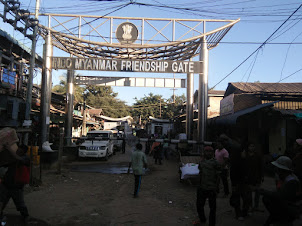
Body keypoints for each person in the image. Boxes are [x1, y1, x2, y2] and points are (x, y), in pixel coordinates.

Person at [259, 156, 301, 226]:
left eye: (278, 168)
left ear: (283, 170)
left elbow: (280, 196)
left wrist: (264, 192)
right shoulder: (283, 177)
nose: (276, 170)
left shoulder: (292, 181)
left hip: (291, 209)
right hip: (285, 206)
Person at [0, 144, 30, 223]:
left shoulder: (25, 158)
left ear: (24, 152)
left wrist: (9, 149)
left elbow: (19, 159)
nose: (17, 151)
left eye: (19, 150)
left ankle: (25, 217)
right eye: (17, 150)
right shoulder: (13, 158)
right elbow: (4, 163)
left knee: (20, 204)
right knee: (1, 202)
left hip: (17, 186)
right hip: (6, 184)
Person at [196, 146, 221, 226]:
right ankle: (202, 219)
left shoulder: (215, 163)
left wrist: (217, 187)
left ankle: (211, 223)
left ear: (213, 153)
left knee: (212, 208)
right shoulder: (201, 162)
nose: (208, 153)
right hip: (202, 187)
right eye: (206, 151)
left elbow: (218, 176)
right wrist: (199, 185)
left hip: (211, 188)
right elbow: (200, 173)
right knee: (199, 205)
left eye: (210, 151)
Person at [243, 142, 264, 212]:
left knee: (257, 192)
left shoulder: (258, 155)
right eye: (250, 146)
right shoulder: (245, 155)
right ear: (248, 147)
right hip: (248, 177)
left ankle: (256, 206)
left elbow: (261, 167)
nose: (251, 147)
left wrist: (262, 176)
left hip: (256, 176)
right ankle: (250, 206)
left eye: (253, 146)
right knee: (248, 192)